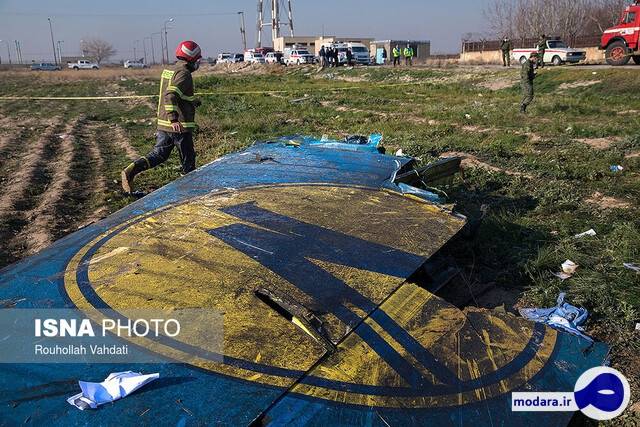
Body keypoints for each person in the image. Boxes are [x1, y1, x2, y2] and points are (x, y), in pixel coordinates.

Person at [121, 40, 202, 194]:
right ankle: (190, 191)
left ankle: (131, 170)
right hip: (179, 126)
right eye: (197, 59)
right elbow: (170, 96)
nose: (198, 62)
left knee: (159, 155)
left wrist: (192, 101)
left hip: (164, 123)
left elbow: (175, 94)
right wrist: (174, 119)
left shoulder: (170, 70)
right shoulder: (184, 74)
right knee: (188, 159)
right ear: (191, 58)